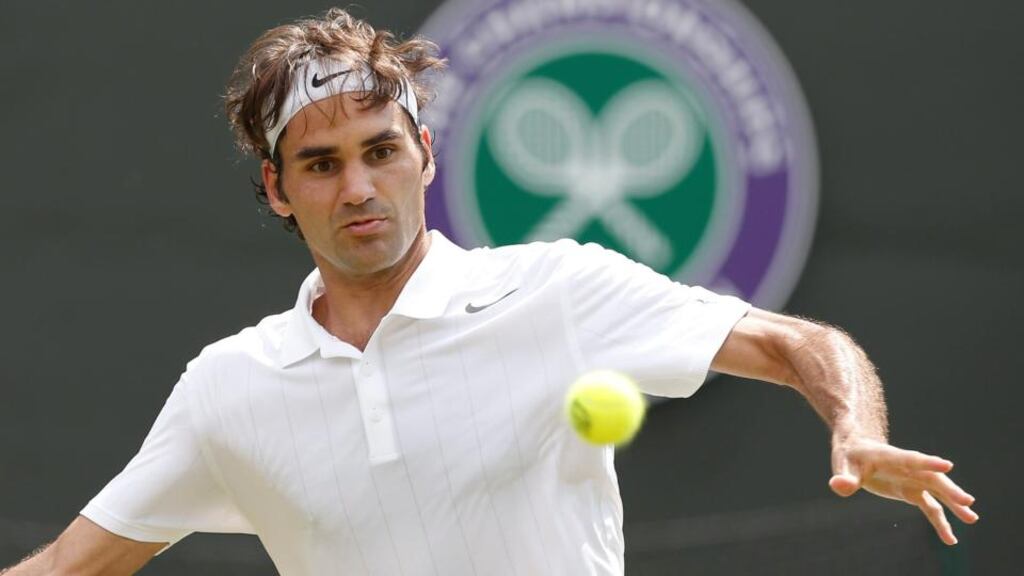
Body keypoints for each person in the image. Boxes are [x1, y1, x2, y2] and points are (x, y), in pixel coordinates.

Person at [2, 8, 978, 576]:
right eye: (321, 164)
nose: (357, 189)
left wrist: (853, 429)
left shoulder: (557, 291)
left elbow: (794, 344)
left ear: (423, 156)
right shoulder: (231, 391)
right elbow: (66, 569)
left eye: (381, 152)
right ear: (276, 189)